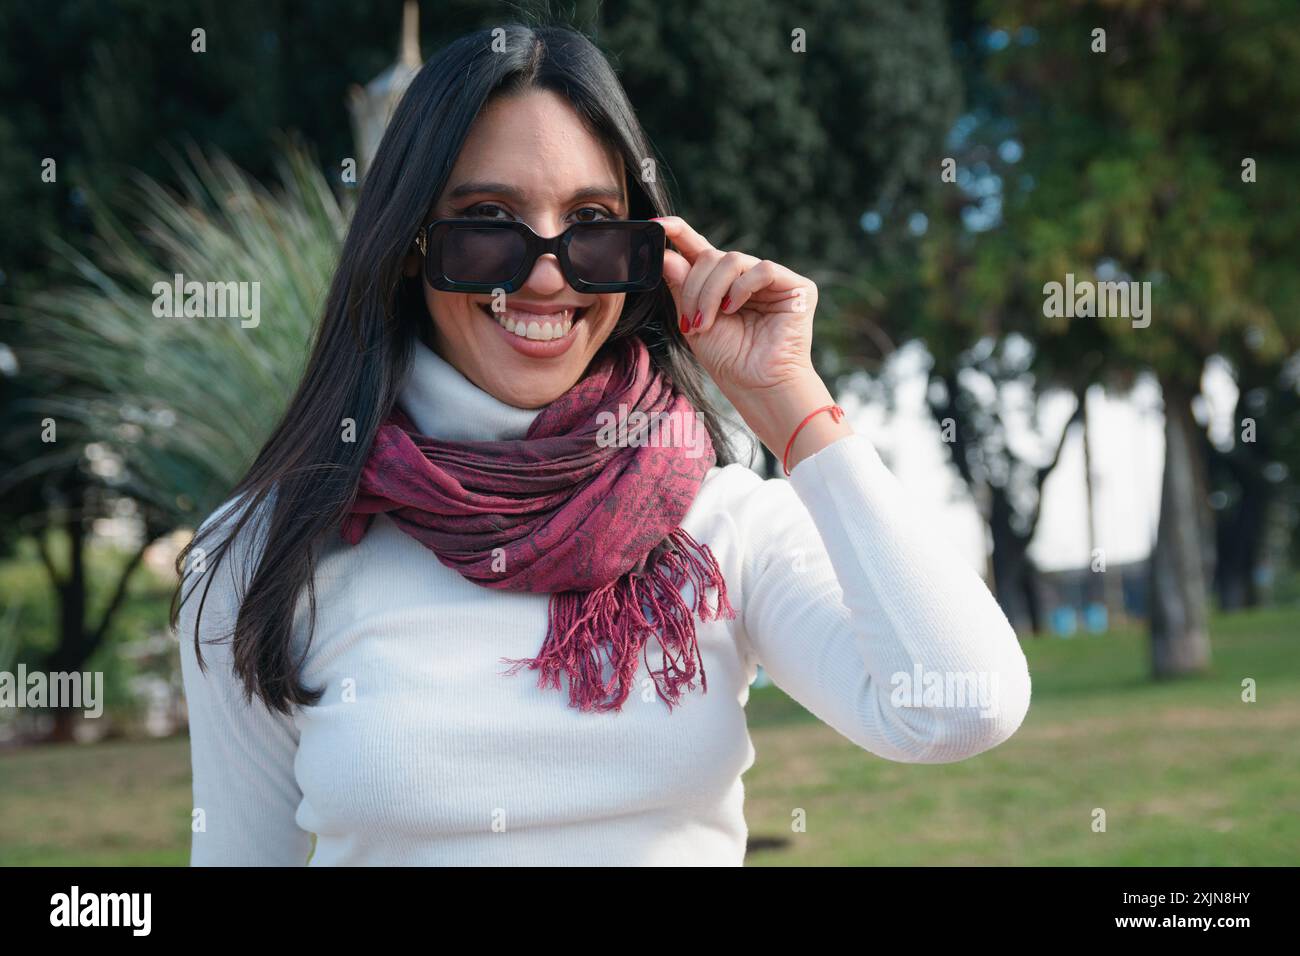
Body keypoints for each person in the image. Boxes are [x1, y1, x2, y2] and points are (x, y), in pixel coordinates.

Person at [176, 22, 1031, 866]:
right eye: (486, 221)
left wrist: (791, 406)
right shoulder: (262, 554)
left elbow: (961, 707)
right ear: (409, 246)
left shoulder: (723, 525)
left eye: (592, 222)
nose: (547, 275)